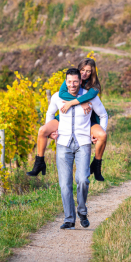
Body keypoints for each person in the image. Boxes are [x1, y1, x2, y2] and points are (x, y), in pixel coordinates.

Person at [46, 68, 108, 229]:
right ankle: (69, 219)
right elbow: (49, 114)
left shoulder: (90, 97)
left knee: (82, 180)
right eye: (69, 82)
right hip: (63, 144)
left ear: (80, 81)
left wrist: (99, 132)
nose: (72, 85)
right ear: (65, 82)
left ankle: (82, 210)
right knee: (65, 184)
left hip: (83, 143)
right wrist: (52, 131)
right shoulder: (57, 97)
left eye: (75, 81)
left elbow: (103, 115)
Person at [27, 58, 108, 180]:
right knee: (43, 131)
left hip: (88, 120)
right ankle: (39, 162)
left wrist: (73, 103)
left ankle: (96, 165)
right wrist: (80, 103)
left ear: (93, 73)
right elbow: (61, 94)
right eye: (82, 70)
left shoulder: (94, 87)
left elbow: (93, 102)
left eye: (88, 71)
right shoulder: (71, 81)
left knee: (102, 135)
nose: (84, 73)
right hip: (65, 118)